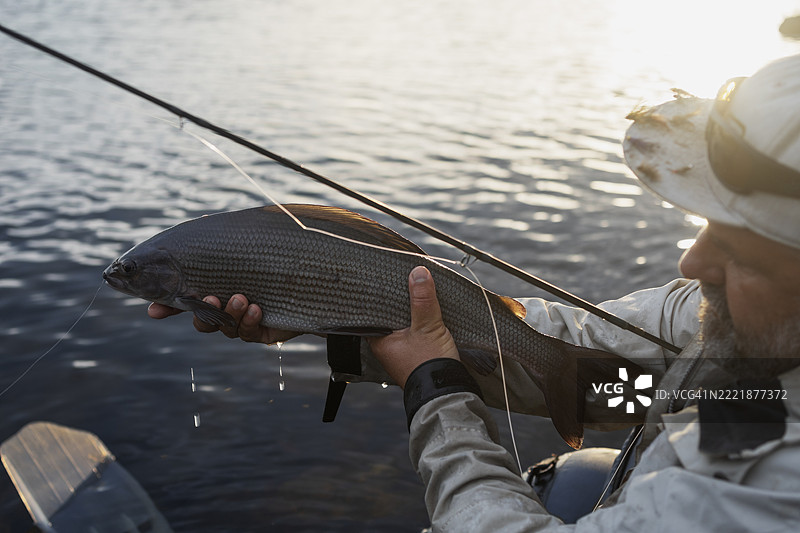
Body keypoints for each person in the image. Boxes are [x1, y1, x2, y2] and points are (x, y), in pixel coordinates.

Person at [149, 54, 800, 531]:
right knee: (581, 464)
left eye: (739, 251)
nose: (693, 260)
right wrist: (339, 316)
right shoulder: (748, 330)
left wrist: (438, 394)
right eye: (705, 225)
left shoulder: (776, 491)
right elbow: (619, 380)